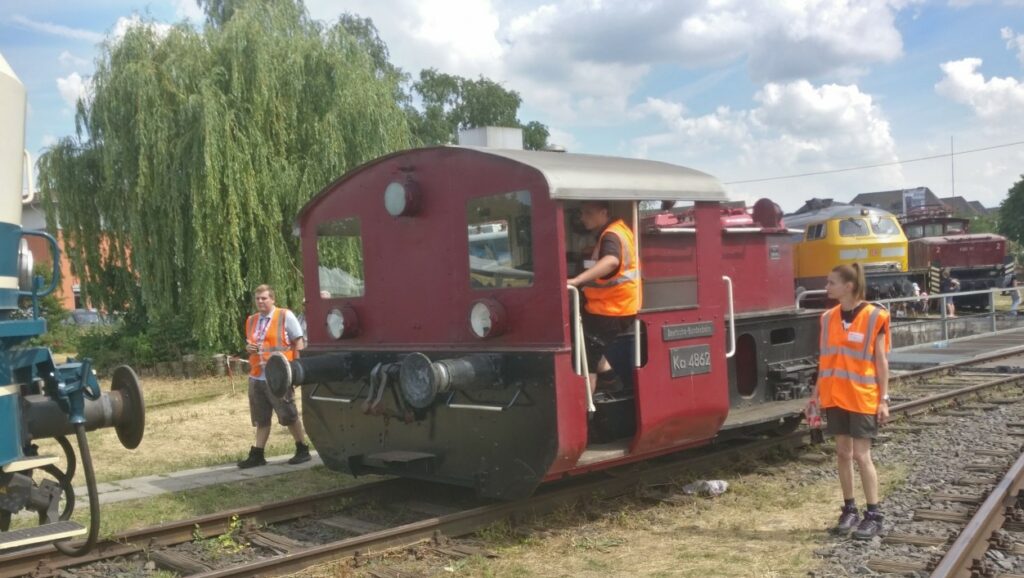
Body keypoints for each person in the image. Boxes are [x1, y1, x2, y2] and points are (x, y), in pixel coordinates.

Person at [806, 263, 891, 540]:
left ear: (849, 286)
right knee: (843, 454)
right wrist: (815, 396)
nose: (826, 287)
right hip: (835, 396)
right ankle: (849, 509)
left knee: (861, 455)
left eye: (831, 282)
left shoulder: (874, 316)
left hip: (863, 397)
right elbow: (826, 360)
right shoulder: (828, 317)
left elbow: (881, 361)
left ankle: (874, 514)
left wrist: (884, 399)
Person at [567, 201, 641, 395]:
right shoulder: (618, 230)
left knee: (585, 359)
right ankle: (610, 380)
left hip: (611, 308)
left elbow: (611, 261)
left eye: (588, 213)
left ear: (604, 213)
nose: (583, 218)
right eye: (582, 213)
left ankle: (585, 411)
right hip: (611, 306)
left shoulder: (611, 235)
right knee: (586, 344)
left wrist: (577, 280)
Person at [238, 284, 312, 468]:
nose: (260, 302)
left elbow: (298, 341)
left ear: (272, 299)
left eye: (264, 298)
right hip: (257, 376)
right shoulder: (251, 320)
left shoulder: (285, 316)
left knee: (288, 414)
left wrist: (297, 369)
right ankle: (258, 454)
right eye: (257, 299)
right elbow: (252, 344)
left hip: (279, 376)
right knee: (261, 417)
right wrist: (249, 348)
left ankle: (302, 448)